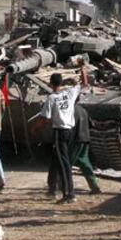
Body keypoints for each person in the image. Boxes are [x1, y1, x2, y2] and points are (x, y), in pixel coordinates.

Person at [31, 66, 86, 204]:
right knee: (57, 159)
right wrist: (82, 69)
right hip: (70, 132)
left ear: (51, 84)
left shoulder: (52, 98)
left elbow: (44, 118)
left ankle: (69, 193)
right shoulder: (70, 93)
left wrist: (34, 129)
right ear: (61, 83)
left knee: (64, 164)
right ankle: (52, 188)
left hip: (59, 132)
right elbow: (84, 84)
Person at [69, 105, 102, 194]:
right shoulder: (83, 109)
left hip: (76, 139)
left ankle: (64, 186)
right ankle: (94, 186)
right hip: (85, 139)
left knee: (67, 163)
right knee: (84, 162)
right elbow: (91, 124)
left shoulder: (70, 109)